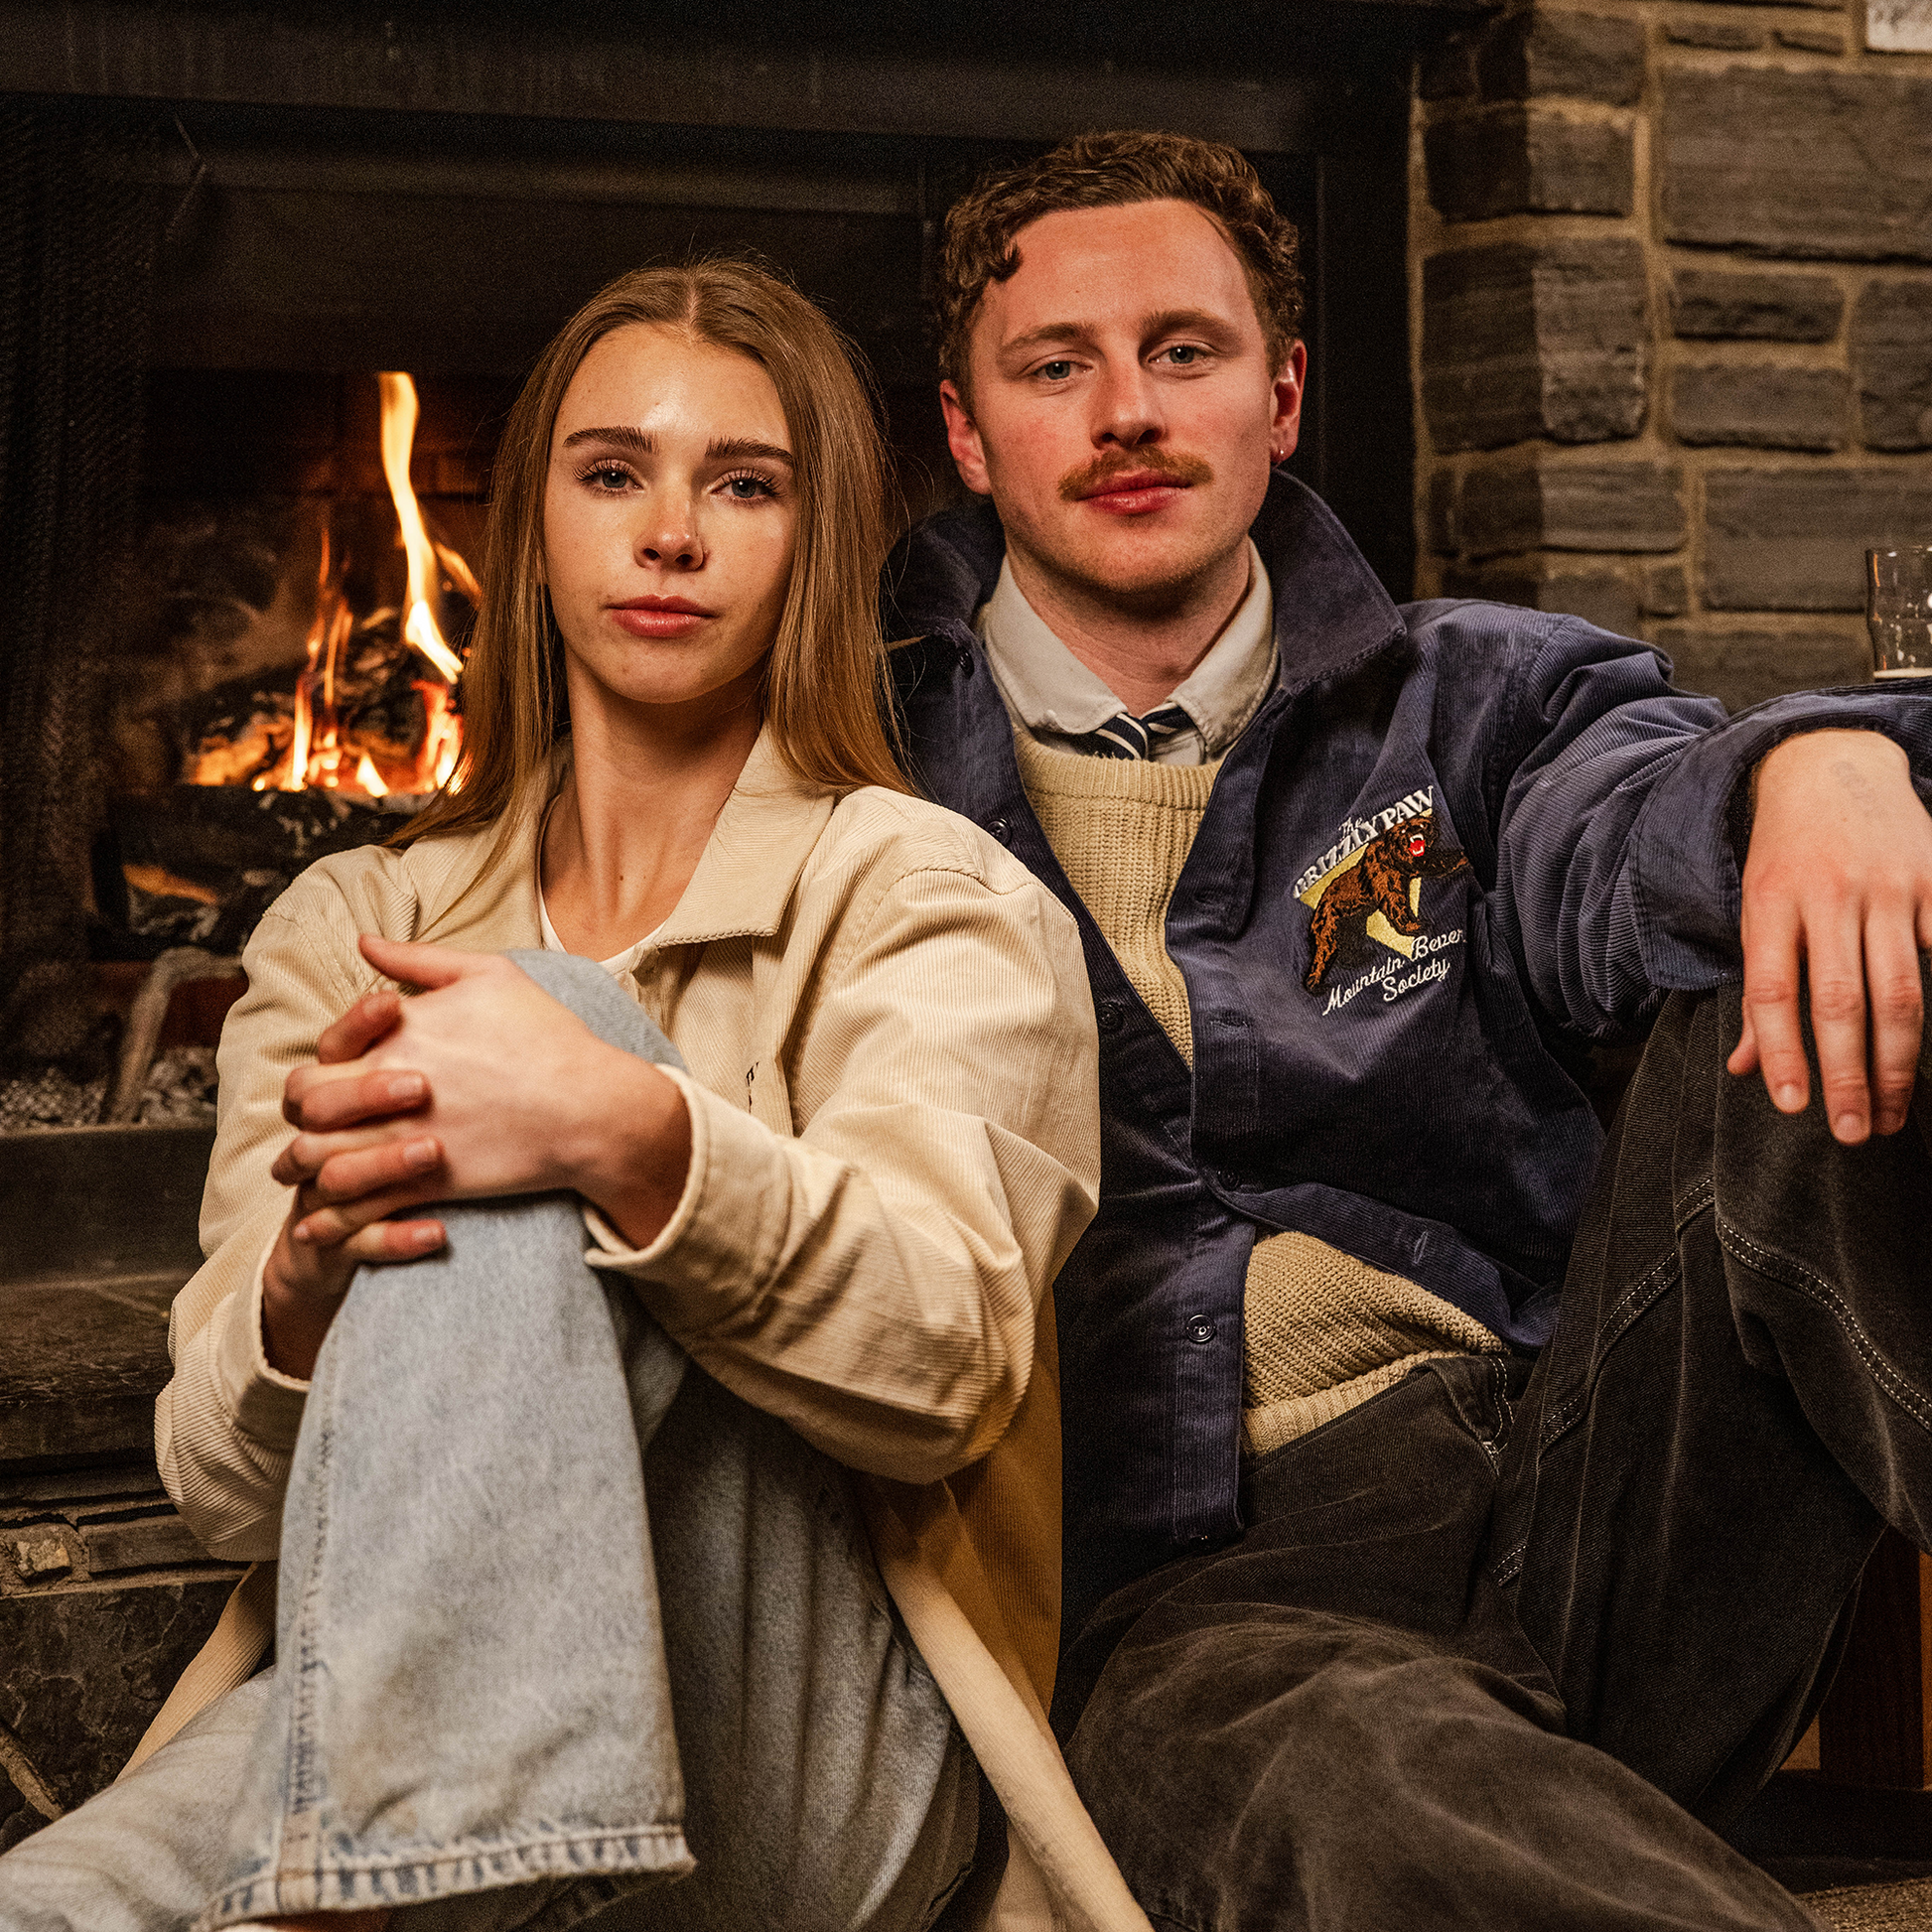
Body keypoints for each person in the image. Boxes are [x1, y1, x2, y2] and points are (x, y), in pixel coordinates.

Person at [0, 261, 1138, 1932]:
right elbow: (224, 1490)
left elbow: (944, 1361)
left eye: (741, 485)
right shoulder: (352, 925)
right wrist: (303, 1298)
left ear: (810, 543)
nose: (668, 532)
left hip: (813, 1757)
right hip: (374, 1727)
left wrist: (628, 1129)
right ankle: (386, 1890)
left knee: (523, 1021)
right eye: (612, 473)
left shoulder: (927, 898)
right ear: (524, 526)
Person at [884, 129, 1932, 1929]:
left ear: (1281, 395)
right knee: (1342, 1770)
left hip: (1588, 1481)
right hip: (1191, 1583)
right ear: (971, 436)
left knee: (1829, 960)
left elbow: (1632, 829)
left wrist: (1813, 762)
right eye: (1059, 366)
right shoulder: (853, 754)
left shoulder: (1474, 694)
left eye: (1184, 352)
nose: (1127, 410)